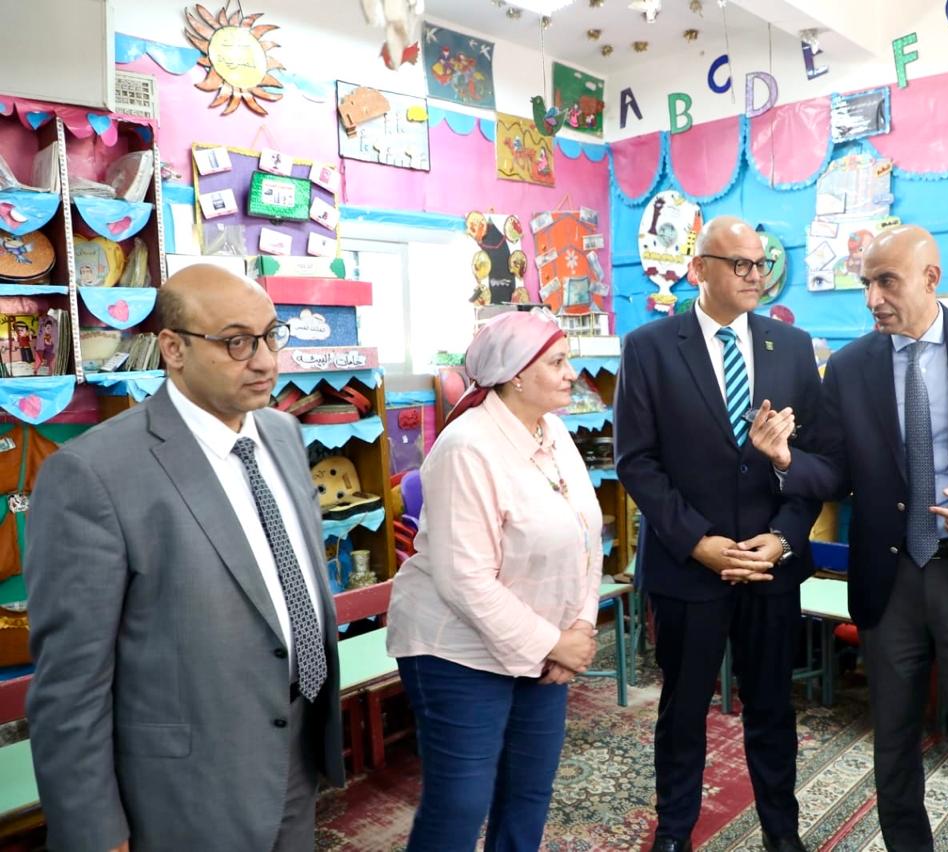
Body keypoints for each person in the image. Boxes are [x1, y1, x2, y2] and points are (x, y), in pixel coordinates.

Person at [751, 224, 948, 852]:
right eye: (867, 284)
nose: (873, 299)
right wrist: (786, 460)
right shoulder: (849, 366)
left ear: (930, 278)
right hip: (889, 581)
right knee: (892, 747)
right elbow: (836, 471)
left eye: (887, 282)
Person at [24, 264, 344, 852]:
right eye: (236, 342)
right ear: (173, 348)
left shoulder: (281, 434)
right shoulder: (94, 474)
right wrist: (94, 833)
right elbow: (71, 684)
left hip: (295, 754)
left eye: (271, 335)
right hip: (184, 791)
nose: (265, 361)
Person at [615, 215, 823, 852]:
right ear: (698, 269)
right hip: (687, 567)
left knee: (772, 709)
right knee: (683, 711)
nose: (755, 276)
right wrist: (697, 541)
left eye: (761, 264)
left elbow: (816, 460)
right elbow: (636, 461)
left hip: (769, 566)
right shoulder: (649, 347)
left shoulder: (792, 348)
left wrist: (783, 538)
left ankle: (782, 836)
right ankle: (674, 833)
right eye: (740, 264)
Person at [386, 308, 602, 852]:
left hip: (543, 642)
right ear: (516, 374)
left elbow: (585, 534)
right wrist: (555, 642)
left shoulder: (553, 431)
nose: (571, 373)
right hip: (457, 651)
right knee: (461, 804)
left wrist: (577, 628)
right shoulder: (467, 447)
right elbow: (465, 581)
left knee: (529, 790)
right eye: (557, 362)